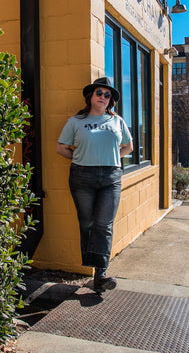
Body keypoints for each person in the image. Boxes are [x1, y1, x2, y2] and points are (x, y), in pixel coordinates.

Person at [57, 77, 133, 294]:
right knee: (87, 223)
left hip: (111, 177)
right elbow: (61, 148)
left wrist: (113, 158)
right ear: (90, 96)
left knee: (104, 225)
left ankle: (100, 274)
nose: (103, 97)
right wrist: (82, 157)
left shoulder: (117, 121)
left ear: (111, 101)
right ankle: (91, 267)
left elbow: (129, 147)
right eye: (99, 93)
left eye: (107, 95)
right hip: (82, 176)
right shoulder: (76, 121)